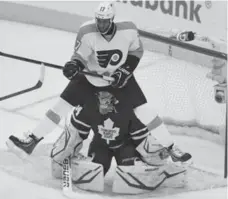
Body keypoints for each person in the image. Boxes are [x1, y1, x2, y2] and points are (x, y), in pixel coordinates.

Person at [7, 1, 191, 163]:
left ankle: (171, 147)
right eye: (99, 20)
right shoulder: (87, 31)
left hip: (120, 79)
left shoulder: (128, 29)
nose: (101, 24)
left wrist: (124, 71)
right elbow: (79, 57)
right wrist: (73, 65)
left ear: (112, 19)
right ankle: (32, 140)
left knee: (144, 111)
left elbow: (135, 52)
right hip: (90, 78)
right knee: (61, 105)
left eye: (105, 20)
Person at [51, 91, 187, 192]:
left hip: (126, 146)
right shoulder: (87, 107)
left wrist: (158, 156)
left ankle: (166, 173)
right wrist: (62, 153)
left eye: (108, 98)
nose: (104, 102)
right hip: (100, 145)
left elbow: (142, 141)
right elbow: (75, 134)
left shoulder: (131, 110)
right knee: (96, 168)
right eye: (101, 96)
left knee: (130, 172)